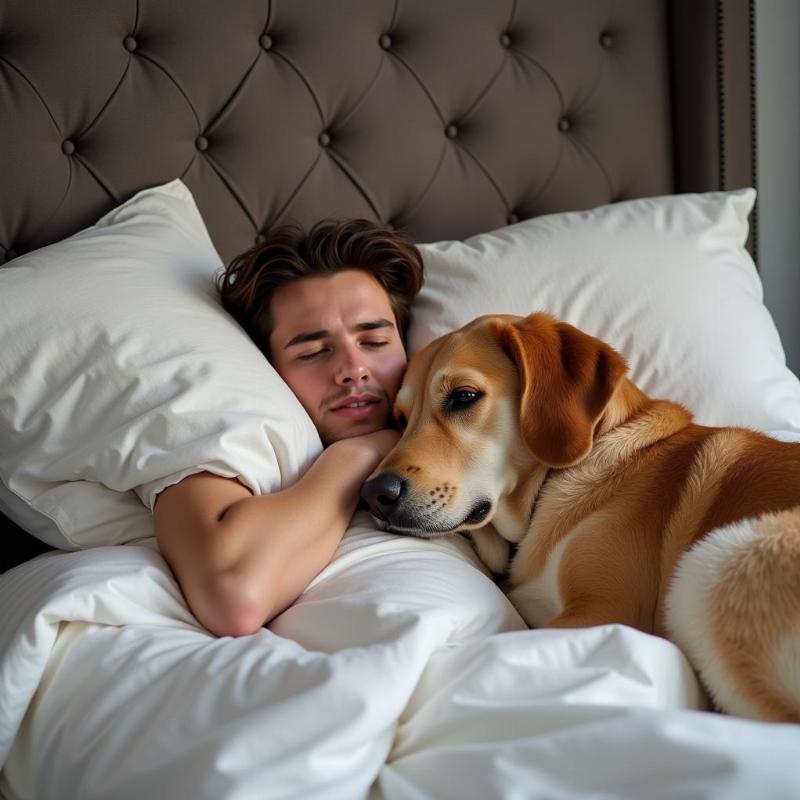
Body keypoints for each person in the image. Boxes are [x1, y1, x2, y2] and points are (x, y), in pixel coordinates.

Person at [153, 219, 424, 638]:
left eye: (374, 342)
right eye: (314, 351)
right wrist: (363, 452)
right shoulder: (224, 430)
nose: (353, 370)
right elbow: (233, 597)